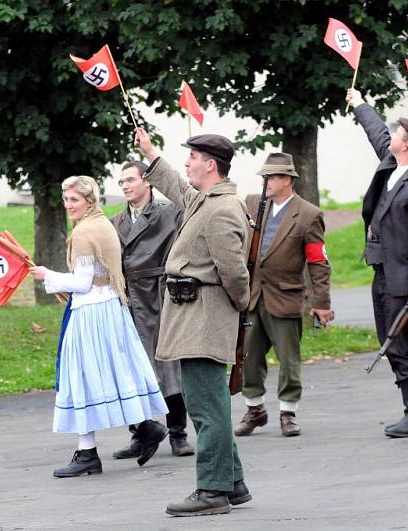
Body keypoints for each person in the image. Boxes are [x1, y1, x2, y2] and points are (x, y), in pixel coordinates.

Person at [134, 128, 252, 517]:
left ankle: (212, 490)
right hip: (196, 317)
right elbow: (174, 186)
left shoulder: (220, 209)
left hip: (204, 318)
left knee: (207, 408)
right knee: (210, 403)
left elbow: (235, 272)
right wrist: (151, 153)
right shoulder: (207, 201)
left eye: (193, 158)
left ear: (211, 164)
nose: (186, 163)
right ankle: (231, 482)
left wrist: (236, 309)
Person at [30, 175, 169, 478]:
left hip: (92, 310)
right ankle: (146, 427)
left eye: (74, 200)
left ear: (89, 200)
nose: (69, 206)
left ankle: (88, 453)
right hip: (110, 308)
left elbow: (82, 282)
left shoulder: (84, 233)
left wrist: (47, 275)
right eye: (66, 200)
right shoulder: (104, 224)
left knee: (83, 376)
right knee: (117, 371)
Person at [346, 88, 408, 438]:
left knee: (400, 343)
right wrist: (358, 104)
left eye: (397, 135)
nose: (391, 137)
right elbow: (377, 133)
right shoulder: (392, 165)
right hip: (383, 270)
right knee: (390, 341)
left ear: (407, 145)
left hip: (405, 277)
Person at [234, 153, 333, 438]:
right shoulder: (253, 203)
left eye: (272, 177)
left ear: (287, 179)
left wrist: (321, 303)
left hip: (286, 296)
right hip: (252, 295)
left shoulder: (308, 214)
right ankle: (254, 409)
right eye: (264, 176)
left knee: (289, 360)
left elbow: (318, 261)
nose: (265, 181)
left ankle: (288, 412)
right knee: (248, 356)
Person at [110, 160, 195, 460]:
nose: (126, 186)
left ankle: (178, 433)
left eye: (131, 179)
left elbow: (190, 207)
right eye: (122, 182)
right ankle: (140, 434)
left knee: (168, 366)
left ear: (148, 181)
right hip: (131, 298)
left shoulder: (169, 213)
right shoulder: (116, 222)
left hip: (160, 295)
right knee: (134, 370)